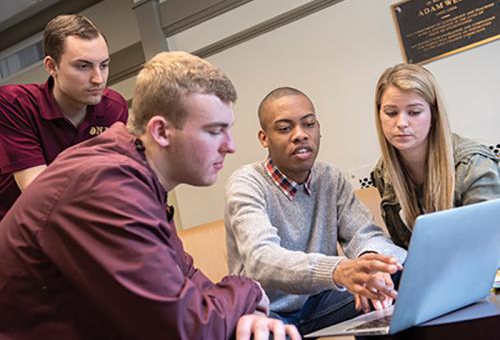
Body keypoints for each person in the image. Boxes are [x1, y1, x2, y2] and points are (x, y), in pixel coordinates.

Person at [0, 51, 300, 340]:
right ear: (160, 131)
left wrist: (246, 311)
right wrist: (249, 290)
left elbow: (188, 282)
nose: (229, 146)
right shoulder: (105, 187)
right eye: (214, 131)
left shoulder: (136, 177)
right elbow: (187, 329)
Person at [225, 87, 407, 335]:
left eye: (308, 124)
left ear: (318, 129)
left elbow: (363, 233)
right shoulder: (247, 182)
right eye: (285, 128)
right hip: (269, 309)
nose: (300, 135)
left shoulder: (330, 177)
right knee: (261, 334)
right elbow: (261, 258)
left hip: (322, 302)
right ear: (264, 138)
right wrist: (337, 270)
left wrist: (373, 262)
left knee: (392, 280)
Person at [0, 14, 128, 220]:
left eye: (103, 65)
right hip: (15, 233)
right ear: (51, 66)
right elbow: (38, 192)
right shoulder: (14, 103)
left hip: (74, 228)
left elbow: (113, 182)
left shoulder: (114, 108)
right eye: (83, 66)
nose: (98, 79)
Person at [371, 63, 500, 249]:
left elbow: (489, 246)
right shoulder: (384, 172)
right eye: (391, 113)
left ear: (434, 114)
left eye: (414, 112)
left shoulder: (472, 164)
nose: (401, 123)